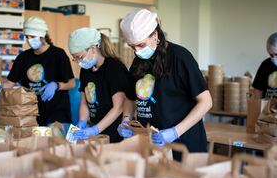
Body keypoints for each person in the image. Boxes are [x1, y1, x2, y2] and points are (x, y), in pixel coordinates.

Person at [118, 9, 212, 157]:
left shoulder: (180, 57)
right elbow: (130, 97)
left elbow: (206, 102)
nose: (136, 51)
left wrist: (175, 131)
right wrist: (126, 120)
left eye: (141, 45)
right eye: (132, 47)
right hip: (152, 145)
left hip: (184, 145)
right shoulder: (138, 62)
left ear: (155, 35)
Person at [6, 16, 75, 126]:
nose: (29, 40)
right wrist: (0, 89)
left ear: (43, 35)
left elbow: (72, 83)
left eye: (32, 36)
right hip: (30, 113)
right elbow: (9, 83)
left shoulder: (58, 55)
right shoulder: (23, 57)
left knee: (55, 141)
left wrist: (56, 85)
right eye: (27, 36)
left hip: (56, 114)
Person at [68, 27, 128, 143]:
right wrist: (82, 122)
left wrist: (96, 129)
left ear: (93, 48)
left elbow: (119, 107)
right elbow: (84, 103)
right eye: (75, 58)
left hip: (115, 131)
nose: (79, 62)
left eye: (80, 57)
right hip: (96, 128)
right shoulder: (86, 70)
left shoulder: (114, 68)